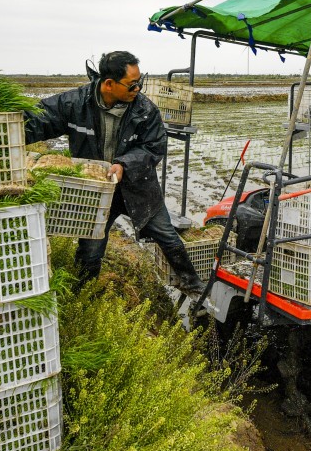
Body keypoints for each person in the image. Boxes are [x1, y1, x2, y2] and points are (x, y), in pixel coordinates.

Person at [24, 51, 205, 292]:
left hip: (138, 187)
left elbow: (154, 147)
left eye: (140, 82)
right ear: (109, 84)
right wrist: (4, 122)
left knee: (167, 236)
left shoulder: (145, 110)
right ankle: (85, 294)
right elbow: (38, 120)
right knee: (90, 248)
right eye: (132, 85)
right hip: (97, 191)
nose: (137, 89)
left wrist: (124, 165)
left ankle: (193, 284)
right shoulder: (74, 104)